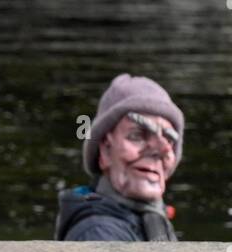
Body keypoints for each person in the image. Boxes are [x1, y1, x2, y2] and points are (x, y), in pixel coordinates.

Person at [54, 73, 183, 242]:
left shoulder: (152, 219)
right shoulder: (97, 235)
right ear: (106, 151)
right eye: (137, 135)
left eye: (169, 139)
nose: (162, 149)